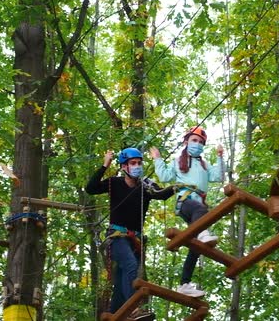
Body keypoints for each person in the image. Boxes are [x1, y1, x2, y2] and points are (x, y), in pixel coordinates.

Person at [85, 147, 174, 319]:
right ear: (124, 167)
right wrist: (105, 165)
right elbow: (91, 188)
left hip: (136, 241)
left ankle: (116, 313)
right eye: (133, 163)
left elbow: (161, 194)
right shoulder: (115, 183)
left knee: (121, 282)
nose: (137, 166)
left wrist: (179, 187)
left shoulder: (146, 185)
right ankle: (134, 308)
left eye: (139, 163)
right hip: (117, 237)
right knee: (131, 266)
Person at [149, 126, 225, 298]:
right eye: (194, 140)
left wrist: (220, 157)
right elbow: (165, 177)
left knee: (196, 247)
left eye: (200, 142)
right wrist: (158, 160)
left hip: (199, 206)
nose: (197, 144)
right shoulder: (178, 161)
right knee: (199, 213)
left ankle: (184, 284)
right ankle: (203, 233)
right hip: (185, 202)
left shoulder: (205, 165)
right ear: (186, 142)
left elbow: (219, 176)